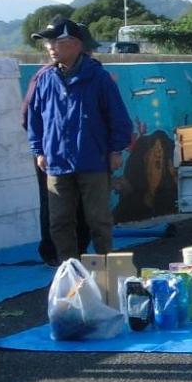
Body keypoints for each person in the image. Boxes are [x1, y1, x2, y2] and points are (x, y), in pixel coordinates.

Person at [25, 16, 136, 263]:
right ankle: (69, 271)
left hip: (93, 161)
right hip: (56, 163)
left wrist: (116, 149)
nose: (50, 47)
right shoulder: (45, 79)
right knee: (59, 221)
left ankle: (107, 268)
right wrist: (39, 150)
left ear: (75, 44)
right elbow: (35, 119)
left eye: (56, 41)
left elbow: (118, 117)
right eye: (47, 43)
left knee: (98, 220)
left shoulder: (99, 78)